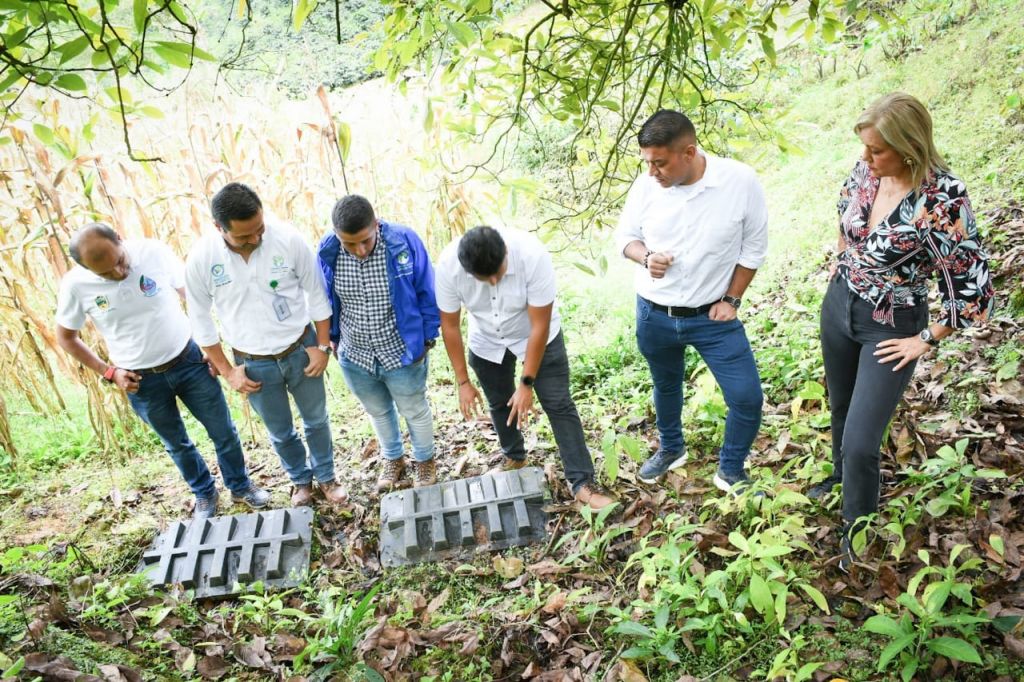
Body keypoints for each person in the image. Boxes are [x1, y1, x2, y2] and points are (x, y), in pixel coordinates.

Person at [814, 92, 994, 569]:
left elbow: (972, 285)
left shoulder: (941, 198)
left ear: (909, 146)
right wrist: (841, 259)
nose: (865, 158)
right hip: (839, 305)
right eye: (864, 148)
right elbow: (844, 215)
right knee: (839, 406)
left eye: (877, 150)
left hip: (891, 326)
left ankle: (858, 526)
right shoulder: (865, 174)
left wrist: (925, 339)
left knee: (861, 439)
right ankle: (839, 480)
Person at [55, 223, 270, 520]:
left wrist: (212, 351)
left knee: (223, 431)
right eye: (105, 274)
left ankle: (240, 486)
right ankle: (204, 493)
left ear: (120, 237)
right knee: (177, 444)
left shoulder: (153, 253)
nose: (118, 273)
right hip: (141, 381)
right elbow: (66, 337)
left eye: (119, 262)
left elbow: (193, 299)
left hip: (189, 360)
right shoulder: (75, 285)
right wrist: (109, 372)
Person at [615, 109, 768, 496]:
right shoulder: (645, 186)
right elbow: (626, 238)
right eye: (647, 163)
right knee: (665, 385)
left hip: (712, 317)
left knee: (747, 397)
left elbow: (753, 248)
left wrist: (733, 298)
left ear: (689, 151)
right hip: (654, 313)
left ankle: (731, 470)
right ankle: (671, 448)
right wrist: (646, 257)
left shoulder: (739, 181)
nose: (652, 173)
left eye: (660, 163)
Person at [185, 182, 347, 507]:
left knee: (316, 419)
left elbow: (317, 294)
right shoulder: (202, 259)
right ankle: (301, 481)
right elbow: (200, 321)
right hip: (253, 361)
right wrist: (229, 371)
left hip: (301, 349)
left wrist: (323, 346)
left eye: (259, 228)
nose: (256, 238)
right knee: (281, 431)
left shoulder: (288, 239)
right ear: (219, 228)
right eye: (245, 235)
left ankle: (327, 477)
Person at [436, 225, 616, 511]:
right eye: (485, 278)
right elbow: (450, 326)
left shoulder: (531, 255)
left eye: (498, 272)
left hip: (536, 336)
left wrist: (527, 382)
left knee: (558, 404)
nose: (494, 281)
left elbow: (540, 325)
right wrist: (463, 382)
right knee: (499, 403)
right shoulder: (448, 266)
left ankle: (582, 482)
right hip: (486, 339)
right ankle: (514, 456)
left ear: (506, 251)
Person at [317, 195, 440, 491]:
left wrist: (426, 338)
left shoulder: (402, 242)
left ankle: (425, 460)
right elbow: (323, 299)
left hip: (401, 351)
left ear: (376, 224)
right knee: (378, 411)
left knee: (414, 408)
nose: (359, 250)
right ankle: (393, 458)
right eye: (350, 244)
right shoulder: (328, 251)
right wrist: (332, 338)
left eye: (365, 241)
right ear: (337, 236)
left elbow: (426, 290)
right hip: (356, 354)